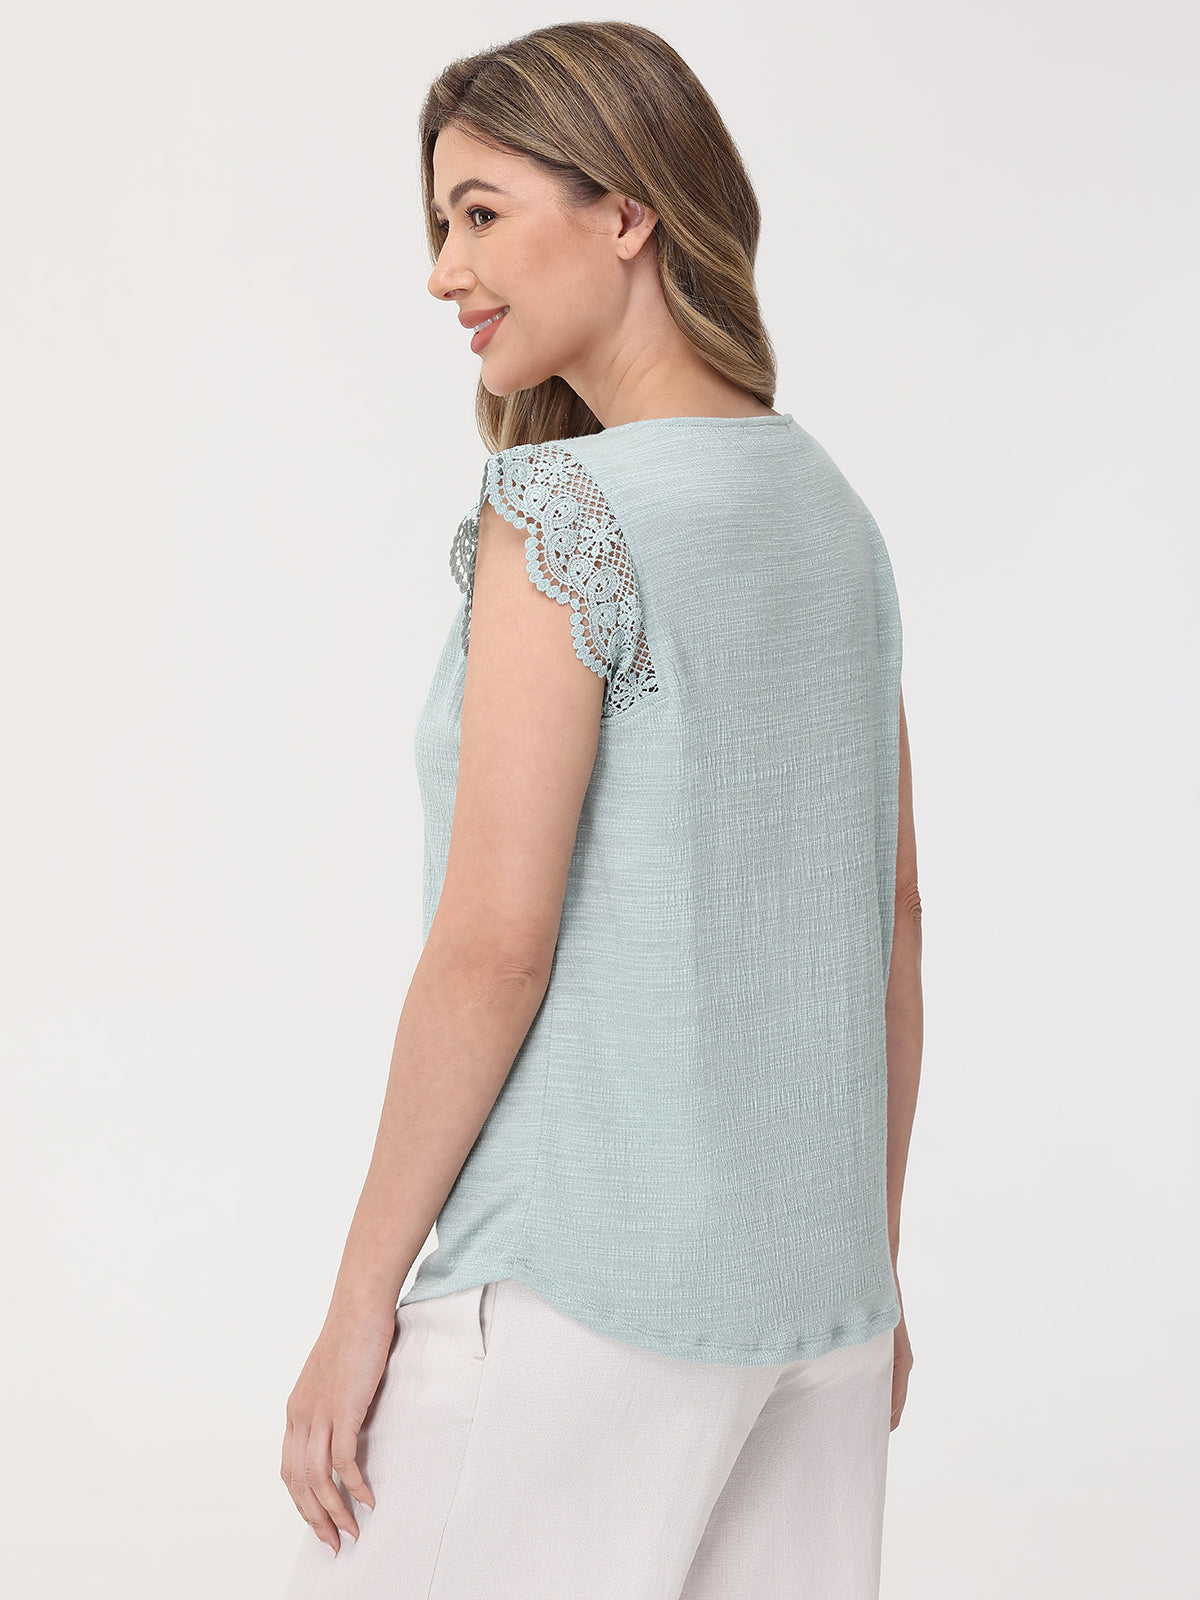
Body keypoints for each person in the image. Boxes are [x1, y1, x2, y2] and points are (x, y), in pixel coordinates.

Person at [279, 20, 922, 1600]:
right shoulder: (829, 515)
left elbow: (493, 946)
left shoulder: (564, 512)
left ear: (626, 212)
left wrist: (360, 1305)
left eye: (482, 213)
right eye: (443, 223)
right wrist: (873, 1269)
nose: (446, 271)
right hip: (821, 1316)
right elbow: (890, 930)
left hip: (580, 1294)